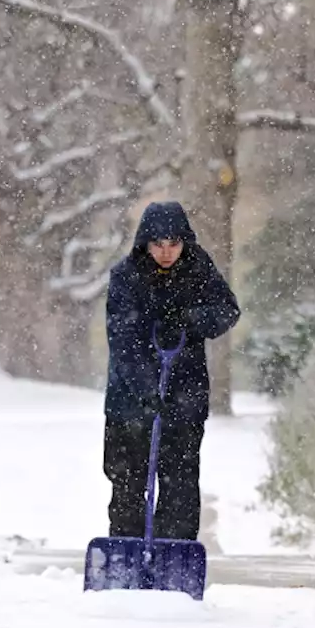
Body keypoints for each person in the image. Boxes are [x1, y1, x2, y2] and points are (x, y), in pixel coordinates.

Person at [103, 200, 240, 541]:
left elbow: (227, 310)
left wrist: (190, 319)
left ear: (185, 242)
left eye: (174, 244)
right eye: (158, 245)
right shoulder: (126, 276)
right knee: (127, 481)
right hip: (129, 402)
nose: (166, 253)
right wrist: (146, 389)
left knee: (179, 481)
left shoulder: (199, 269)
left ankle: (172, 553)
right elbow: (122, 339)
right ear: (145, 243)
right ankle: (128, 550)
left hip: (184, 396)